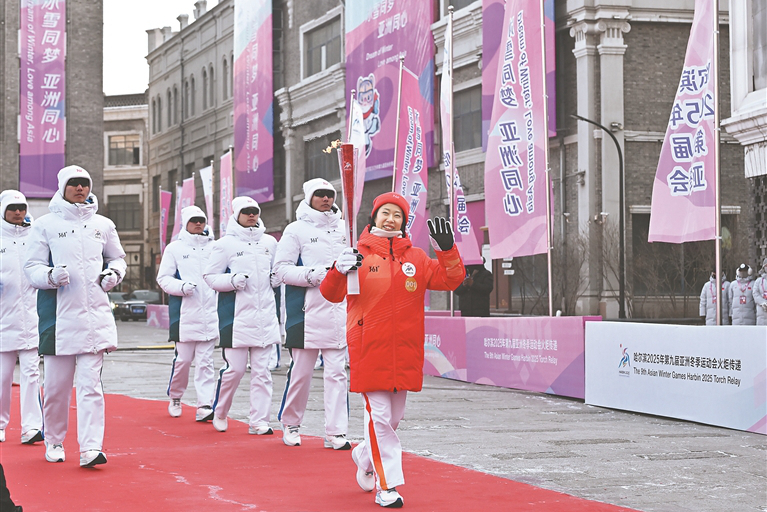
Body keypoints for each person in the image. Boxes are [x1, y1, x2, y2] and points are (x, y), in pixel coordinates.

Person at [320, 192, 465, 508]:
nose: (390, 219)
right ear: (374, 217)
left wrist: (446, 251)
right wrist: (337, 269)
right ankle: (387, 487)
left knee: (392, 419)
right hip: (369, 349)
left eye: (397, 215)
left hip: (405, 350)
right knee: (381, 419)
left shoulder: (416, 258)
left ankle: (364, 455)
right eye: (385, 213)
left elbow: (451, 280)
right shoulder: (356, 255)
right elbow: (331, 294)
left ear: (404, 222)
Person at [25, 165, 126, 468]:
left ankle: (91, 448)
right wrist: (50, 276)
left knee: (90, 386)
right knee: (56, 389)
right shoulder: (45, 225)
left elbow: (117, 258)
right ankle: (54, 440)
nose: (80, 188)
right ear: (63, 187)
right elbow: (31, 268)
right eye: (74, 183)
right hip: (59, 320)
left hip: (95, 320)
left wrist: (113, 274)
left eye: (84, 183)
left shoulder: (103, 224)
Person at [274, 178, 350, 449]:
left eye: (330, 194)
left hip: (339, 311)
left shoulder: (345, 227)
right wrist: (315, 275)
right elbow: (280, 270)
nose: (326, 199)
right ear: (308, 198)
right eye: (320, 194)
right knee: (301, 373)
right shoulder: (295, 230)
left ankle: (336, 432)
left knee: (337, 373)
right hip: (305, 312)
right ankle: (291, 423)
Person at [203, 197, 280, 435]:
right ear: (236, 214)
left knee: (262, 373)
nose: (251, 215)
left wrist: (277, 278)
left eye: (255, 211)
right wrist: (231, 280)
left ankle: (259, 421)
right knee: (234, 371)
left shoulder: (269, 242)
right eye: (246, 211)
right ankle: (220, 411)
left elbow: (279, 270)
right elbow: (210, 276)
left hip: (265, 317)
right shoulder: (224, 244)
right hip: (236, 318)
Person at [156, 205, 218, 422]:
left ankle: (205, 404)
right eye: (194, 220)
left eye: (201, 220)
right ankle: (175, 396)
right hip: (185, 315)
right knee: (183, 361)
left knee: (206, 362)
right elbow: (163, 278)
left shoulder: (215, 247)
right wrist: (181, 287)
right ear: (185, 223)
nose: (198, 224)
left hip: (210, 314)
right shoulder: (174, 249)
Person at [0, 190, 43, 445]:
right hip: (3, 320)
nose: (18, 212)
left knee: (31, 374)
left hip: (31, 320)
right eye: (13, 208)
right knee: (2, 377)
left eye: (22, 208)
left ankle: (32, 427)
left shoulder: (36, 237)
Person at [753, 258, 767, 326]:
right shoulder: (758, 281)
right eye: (766, 265)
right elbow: (755, 294)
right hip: (761, 313)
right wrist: (763, 303)